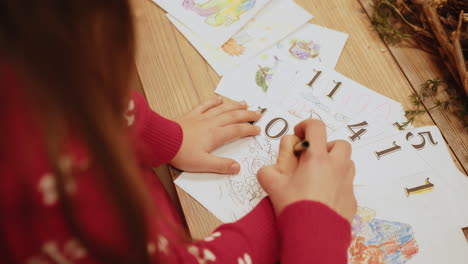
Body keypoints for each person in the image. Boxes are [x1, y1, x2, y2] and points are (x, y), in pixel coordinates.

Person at [0, 1, 357, 263]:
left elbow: (80, 91)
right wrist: (310, 222)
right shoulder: (60, 213)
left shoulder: (33, 72)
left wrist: (160, 134)